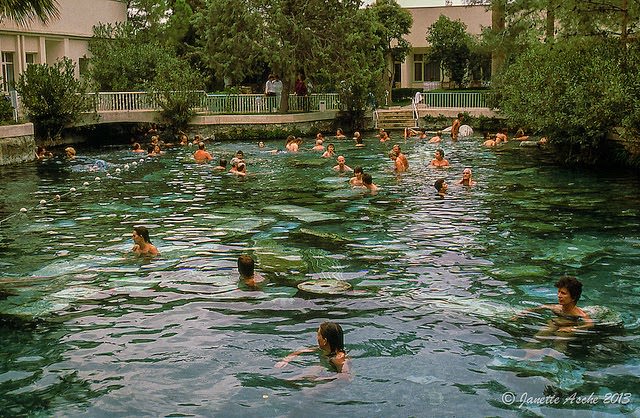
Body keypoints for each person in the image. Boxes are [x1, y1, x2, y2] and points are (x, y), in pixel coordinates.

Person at [513, 276, 593, 334]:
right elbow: (539, 308)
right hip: (557, 323)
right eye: (559, 292)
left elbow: (590, 324)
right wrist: (520, 314)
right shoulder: (556, 308)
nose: (559, 295)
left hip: (570, 324)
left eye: (563, 293)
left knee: (560, 338)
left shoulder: (580, 314)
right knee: (542, 333)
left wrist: (573, 329)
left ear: (573, 297)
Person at [275, 321, 348, 373]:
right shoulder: (325, 349)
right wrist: (286, 360)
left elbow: (346, 377)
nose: (317, 337)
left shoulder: (339, 358)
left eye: (318, 335)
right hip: (326, 368)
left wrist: (324, 384)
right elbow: (302, 351)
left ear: (325, 341)